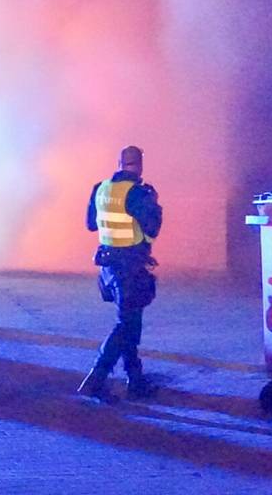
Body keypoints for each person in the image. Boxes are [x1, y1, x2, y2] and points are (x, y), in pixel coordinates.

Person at [78, 145, 163, 402]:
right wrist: (154, 203)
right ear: (140, 165)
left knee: (130, 322)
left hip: (108, 266)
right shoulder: (138, 193)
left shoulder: (101, 188)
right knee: (126, 325)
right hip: (130, 268)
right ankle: (95, 378)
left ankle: (135, 381)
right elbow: (153, 228)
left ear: (119, 163)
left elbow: (90, 224)